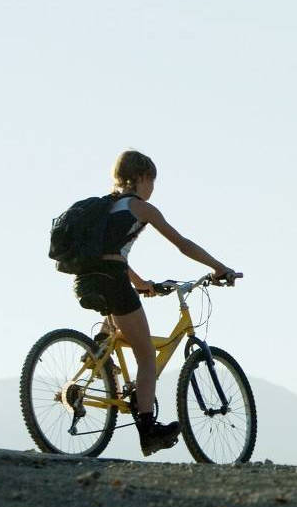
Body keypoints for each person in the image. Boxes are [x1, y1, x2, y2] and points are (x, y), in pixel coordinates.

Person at [73, 150, 238, 456]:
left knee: (119, 330)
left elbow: (113, 256)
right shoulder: (141, 208)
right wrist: (219, 267)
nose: (153, 188)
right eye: (153, 181)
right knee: (147, 356)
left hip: (87, 279)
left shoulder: (106, 207)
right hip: (112, 281)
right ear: (143, 177)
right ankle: (148, 431)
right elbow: (182, 244)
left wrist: (141, 284)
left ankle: (99, 359)